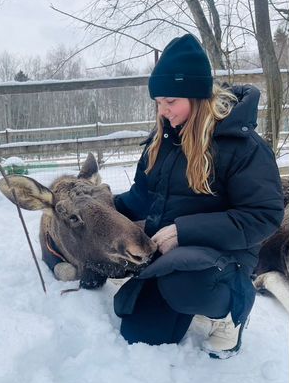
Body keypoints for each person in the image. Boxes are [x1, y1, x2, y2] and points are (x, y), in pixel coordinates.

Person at [113, 34, 285, 358]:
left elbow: (264, 215)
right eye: (159, 103)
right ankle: (184, 294)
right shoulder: (162, 140)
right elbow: (141, 196)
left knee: (185, 284)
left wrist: (184, 231)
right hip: (174, 255)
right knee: (138, 332)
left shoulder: (240, 145)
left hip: (226, 258)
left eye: (171, 102)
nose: (164, 112)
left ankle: (231, 315)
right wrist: (104, 210)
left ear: (197, 95)